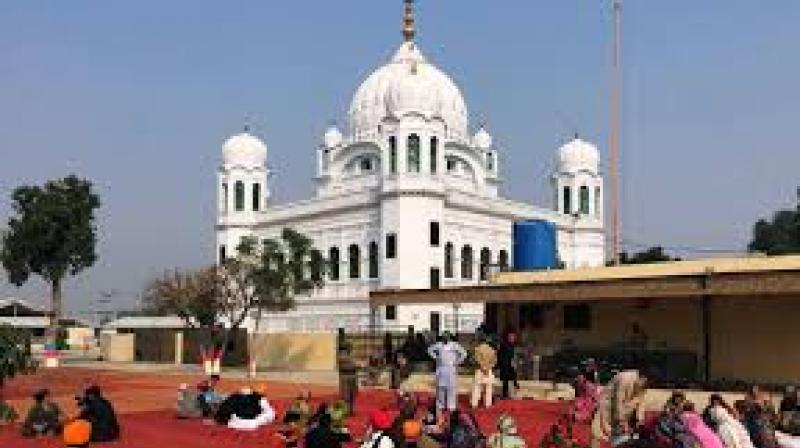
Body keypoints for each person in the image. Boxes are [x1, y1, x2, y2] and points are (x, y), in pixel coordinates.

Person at [590, 369, 647, 448]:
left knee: (621, 438)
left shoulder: (644, 384)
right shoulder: (625, 378)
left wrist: (640, 419)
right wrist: (621, 422)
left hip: (625, 410)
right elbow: (618, 401)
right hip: (608, 405)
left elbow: (641, 401)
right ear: (641, 377)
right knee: (598, 433)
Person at [427, 332, 467, 412]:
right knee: (440, 388)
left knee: (451, 387)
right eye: (444, 337)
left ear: (449, 337)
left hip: (451, 368)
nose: (445, 338)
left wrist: (457, 361)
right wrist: (436, 357)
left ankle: (451, 406)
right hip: (441, 368)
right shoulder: (439, 345)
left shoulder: (454, 345)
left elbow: (464, 353)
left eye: (447, 337)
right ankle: (440, 405)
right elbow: (429, 350)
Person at [471, 335, 497, 408]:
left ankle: (474, 403)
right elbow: (494, 361)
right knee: (489, 388)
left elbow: (476, 360)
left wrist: (482, 367)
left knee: (477, 387)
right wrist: (488, 368)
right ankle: (488, 404)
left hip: (480, 370)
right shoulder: (491, 350)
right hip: (489, 370)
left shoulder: (477, 349)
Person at [337, 343, 360, 415]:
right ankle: (345, 410)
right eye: (349, 348)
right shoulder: (341, 355)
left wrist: (357, 366)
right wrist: (356, 364)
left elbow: (354, 364)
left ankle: (350, 410)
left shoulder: (351, 356)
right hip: (345, 376)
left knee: (352, 394)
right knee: (346, 395)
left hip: (353, 375)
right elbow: (345, 362)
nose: (351, 349)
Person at [497, 332, 519, 399]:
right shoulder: (504, 345)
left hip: (510, 365)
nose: (513, 339)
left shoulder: (512, 346)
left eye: (513, 337)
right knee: (506, 380)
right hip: (505, 365)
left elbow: (512, 356)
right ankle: (505, 394)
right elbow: (500, 355)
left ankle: (509, 394)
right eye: (511, 337)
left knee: (512, 379)